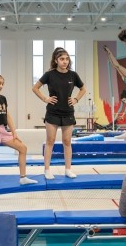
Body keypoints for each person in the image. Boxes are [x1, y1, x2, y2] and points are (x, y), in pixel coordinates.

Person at [32, 47, 86, 180]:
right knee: (50, 141)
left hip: (68, 112)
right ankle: (47, 169)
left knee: (67, 141)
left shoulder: (73, 75)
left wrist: (76, 99)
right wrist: (45, 98)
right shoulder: (50, 74)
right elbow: (35, 87)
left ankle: (68, 169)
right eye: (62, 59)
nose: (65, 61)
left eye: (67, 59)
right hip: (53, 112)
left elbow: (83, 89)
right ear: (56, 60)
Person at [0, 74, 38, 197]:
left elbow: (8, 116)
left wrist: (14, 132)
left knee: (23, 148)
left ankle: (23, 177)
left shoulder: (3, 98)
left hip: (2, 130)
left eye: (2, 84)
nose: (1, 86)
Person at [103, 45, 126, 121]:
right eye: (124, 101)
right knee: (116, 65)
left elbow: (120, 108)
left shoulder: (125, 94)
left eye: (123, 101)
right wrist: (121, 116)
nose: (124, 101)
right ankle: (109, 51)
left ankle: (108, 52)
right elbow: (125, 108)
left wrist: (115, 117)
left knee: (115, 65)